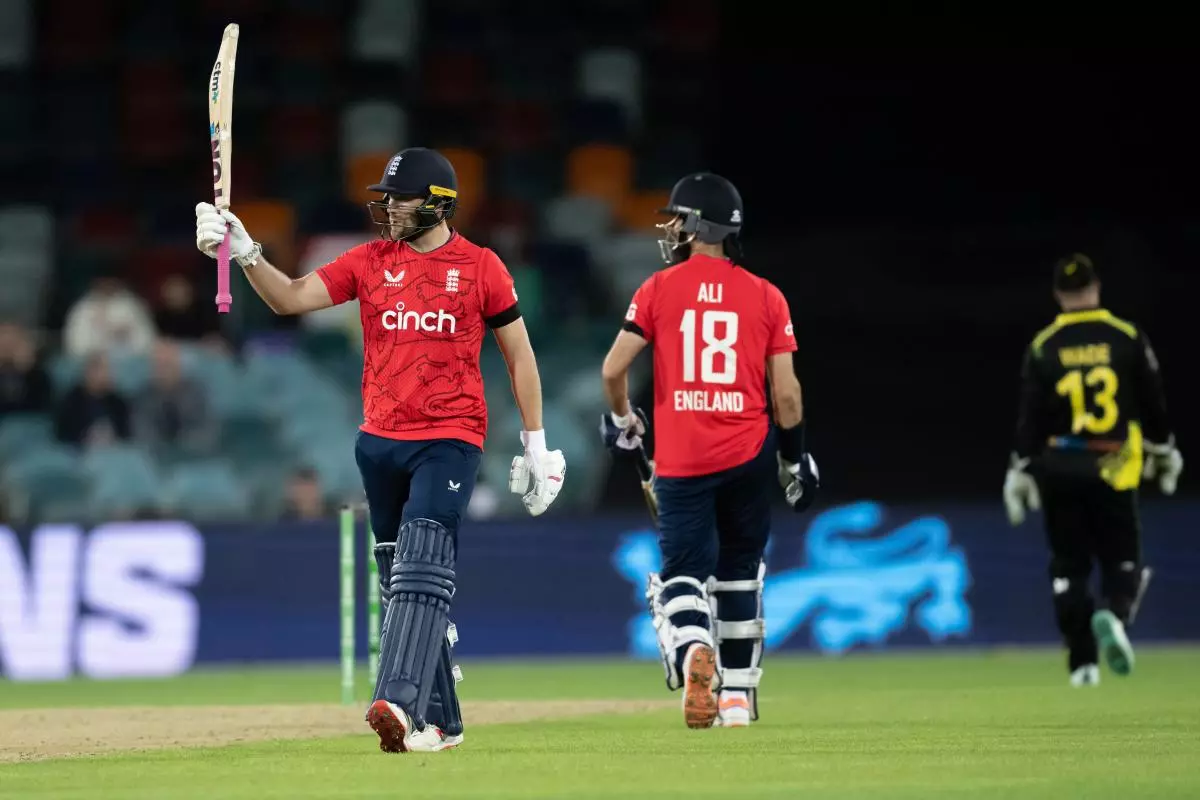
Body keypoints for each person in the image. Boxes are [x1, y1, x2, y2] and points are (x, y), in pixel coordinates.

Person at [195, 147, 566, 753]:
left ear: (438, 203)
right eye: (385, 198)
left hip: (450, 437)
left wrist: (537, 444)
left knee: (422, 562)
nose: (389, 208)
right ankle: (444, 724)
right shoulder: (369, 261)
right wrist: (246, 252)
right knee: (401, 576)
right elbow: (290, 299)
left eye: (400, 199)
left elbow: (519, 354)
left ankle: (396, 699)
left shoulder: (481, 267)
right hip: (380, 441)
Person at [598, 172, 819, 729]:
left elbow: (613, 370)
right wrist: (794, 458)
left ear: (698, 226)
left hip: (683, 457)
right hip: (748, 451)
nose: (672, 228)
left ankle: (694, 645)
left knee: (682, 575)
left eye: (678, 219)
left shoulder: (658, 288)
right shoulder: (767, 295)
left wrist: (625, 421)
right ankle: (738, 699)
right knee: (740, 572)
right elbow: (787, 396)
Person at [1004, 253, 1182, 687]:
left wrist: (1020, 468)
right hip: (1114, 464)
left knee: (1069, 566)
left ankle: (1082, 666)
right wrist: (1164, 448)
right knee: (1123, 558)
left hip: (1059, 467)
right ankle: (1116, 614)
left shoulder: (1044, 345)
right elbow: (1152, 400)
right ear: (1096, 287)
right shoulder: (1126, 336)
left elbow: (1030, 418)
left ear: (1057, 295)